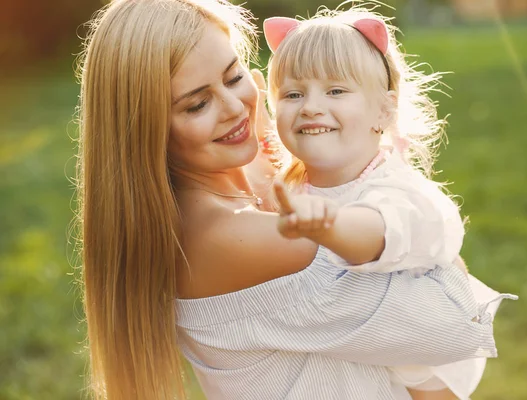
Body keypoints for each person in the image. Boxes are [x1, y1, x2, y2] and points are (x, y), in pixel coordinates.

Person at [75, 0, 504, 399]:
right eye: (197, 104)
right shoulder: (233, 238)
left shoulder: (236, 203)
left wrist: (265, 161)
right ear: (146, 131)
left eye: (234, 76)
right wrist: (427, 238)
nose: (235, 108)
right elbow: (455, 323)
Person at [263, 9, 516, 400]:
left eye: (335, 91)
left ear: (383, 110)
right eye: (293, 94)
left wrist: (329, 227)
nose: (311, 106)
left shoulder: (397, 187)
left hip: (425, 367)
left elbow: (377, 231)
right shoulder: (293, 188)